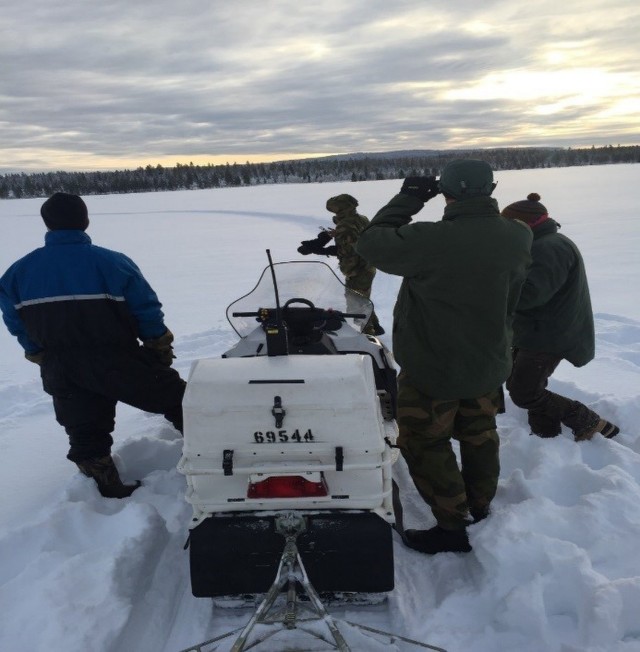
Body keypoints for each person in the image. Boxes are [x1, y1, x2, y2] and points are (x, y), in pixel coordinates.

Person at [356, 160, 532, 554]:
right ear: (491, 188)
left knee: (423, 442)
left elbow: (369, 243)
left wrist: (408, 200)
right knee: (479, 435)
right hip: (487, 362)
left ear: (447, 194)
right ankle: (480, 508)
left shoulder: (430, 240)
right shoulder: (518, 235)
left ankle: (452, 524)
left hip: (433, 368)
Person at [0, 192, 186, 499]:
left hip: (61, 366)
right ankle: (215, 454)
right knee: (182, 401)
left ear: (47, 224)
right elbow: (146, 309)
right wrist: (158, 345)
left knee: (84, 430)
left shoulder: (17, 274)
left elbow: (15, 322)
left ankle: (103, 485)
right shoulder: (113, 263)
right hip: (118, 359)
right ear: (85, 221)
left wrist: (37, 352)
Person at [502, 193, 619, 441]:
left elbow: (530, 295)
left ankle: (589, 421)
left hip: (549, 334)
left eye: (506, 226)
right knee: (521, 384)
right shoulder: (540, 243)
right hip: (537, 330)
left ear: (522, 225)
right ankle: (546, 434)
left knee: (524, 393)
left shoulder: (550, 248)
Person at [297, 194, 384, 335]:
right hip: (367, 266)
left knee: (355, 304)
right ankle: (375, 325)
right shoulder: (360, 218)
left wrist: (321, 250)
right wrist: (333, 235)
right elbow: (356, 237)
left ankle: (366, 334)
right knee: (362, 299)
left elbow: (349, 251)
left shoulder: (346, 224)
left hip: (357, 268)